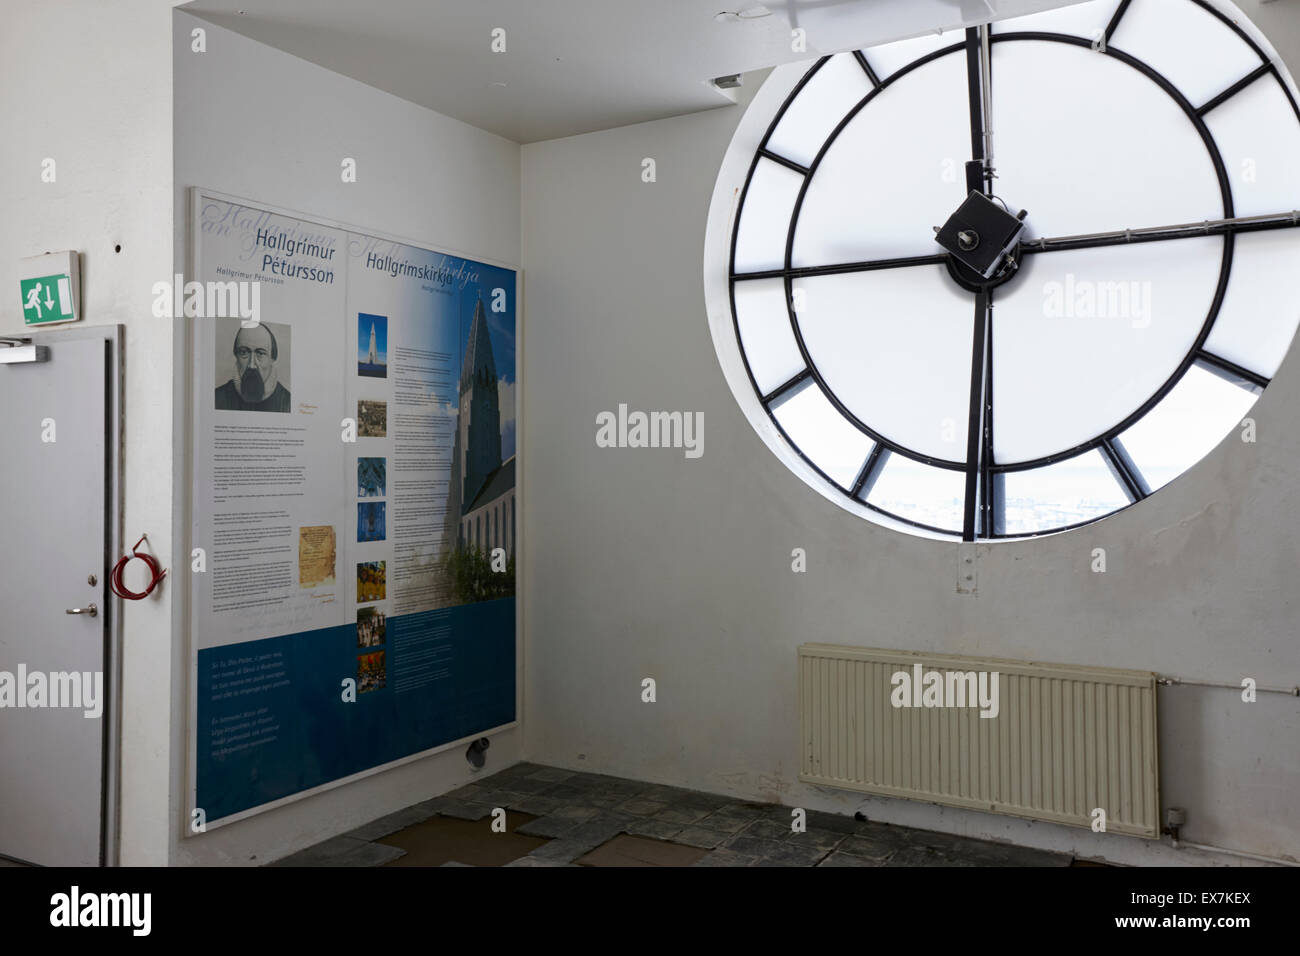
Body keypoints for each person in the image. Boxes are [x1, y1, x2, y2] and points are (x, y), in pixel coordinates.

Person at [215, 324, 291, 412]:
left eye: (260, 353)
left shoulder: (287, 402)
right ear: (236, 356)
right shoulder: (217, 398)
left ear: (272, 358)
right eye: (244, 352)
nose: (251, 365)